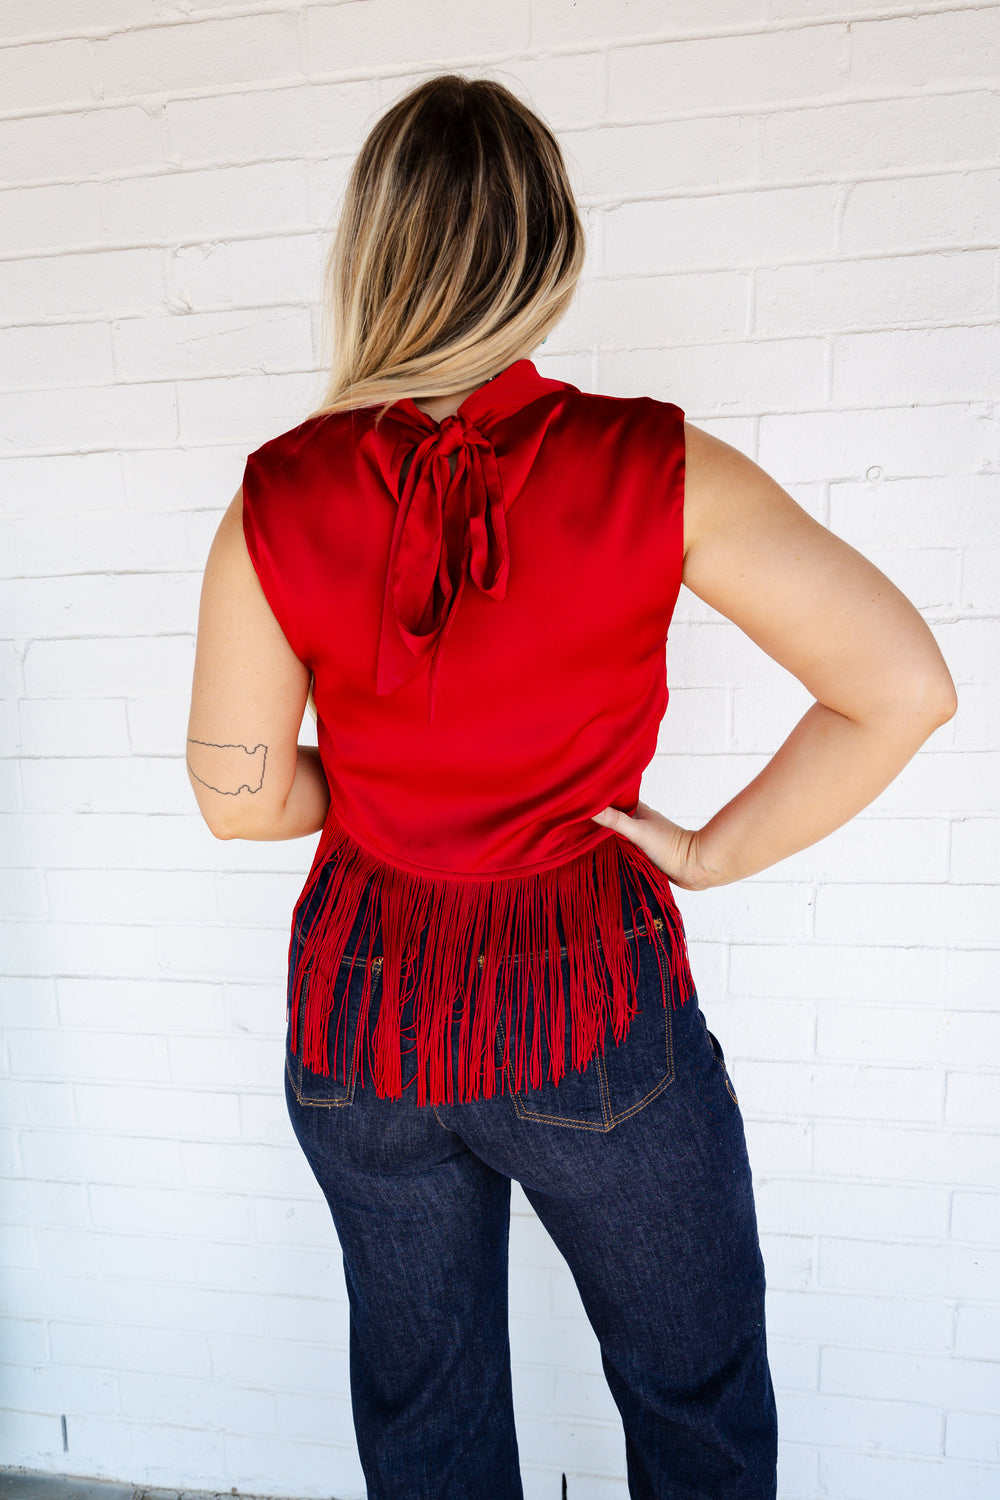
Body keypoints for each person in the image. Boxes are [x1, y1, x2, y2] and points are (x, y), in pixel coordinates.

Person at [185, 73, 957, 1500]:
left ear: (367, 256)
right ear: (553, 255)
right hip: (589, 1003)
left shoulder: (277, 495)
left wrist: (373, 787)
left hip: (362, 1020)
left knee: (426, 1417)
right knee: (694, 1390)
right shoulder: (659, 469)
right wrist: (711, 854)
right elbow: (904, 687)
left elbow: (238, 796)